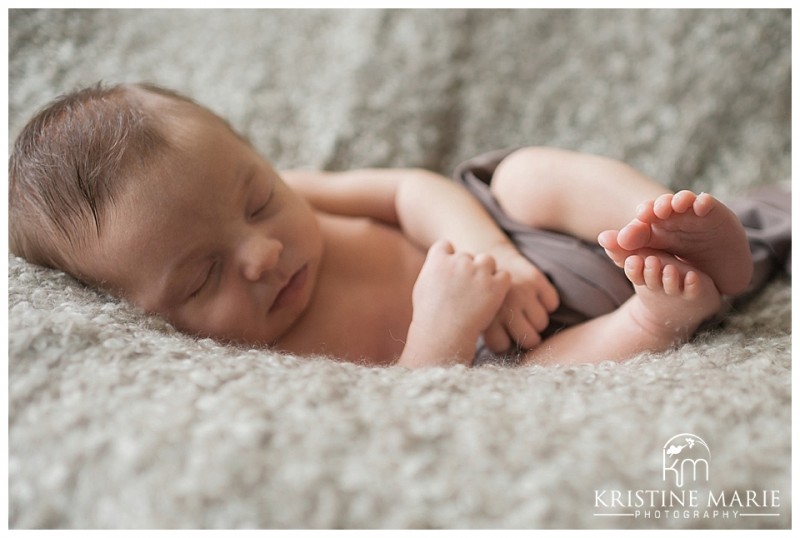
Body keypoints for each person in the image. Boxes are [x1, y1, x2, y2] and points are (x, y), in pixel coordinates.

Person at [8, 83, 791, 368]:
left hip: (505, 235)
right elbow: (397, 404)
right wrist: (440, 334)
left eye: (258, 200)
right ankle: (661, 313)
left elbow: (409, 190)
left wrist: (487, 248)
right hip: (519, 344)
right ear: (140, 317)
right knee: (543, 376)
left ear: (255, 159)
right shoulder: (274, 359)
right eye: (204, 275)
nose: (262, 251)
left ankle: (650, 224)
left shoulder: (296, 193)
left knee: (524, 175)